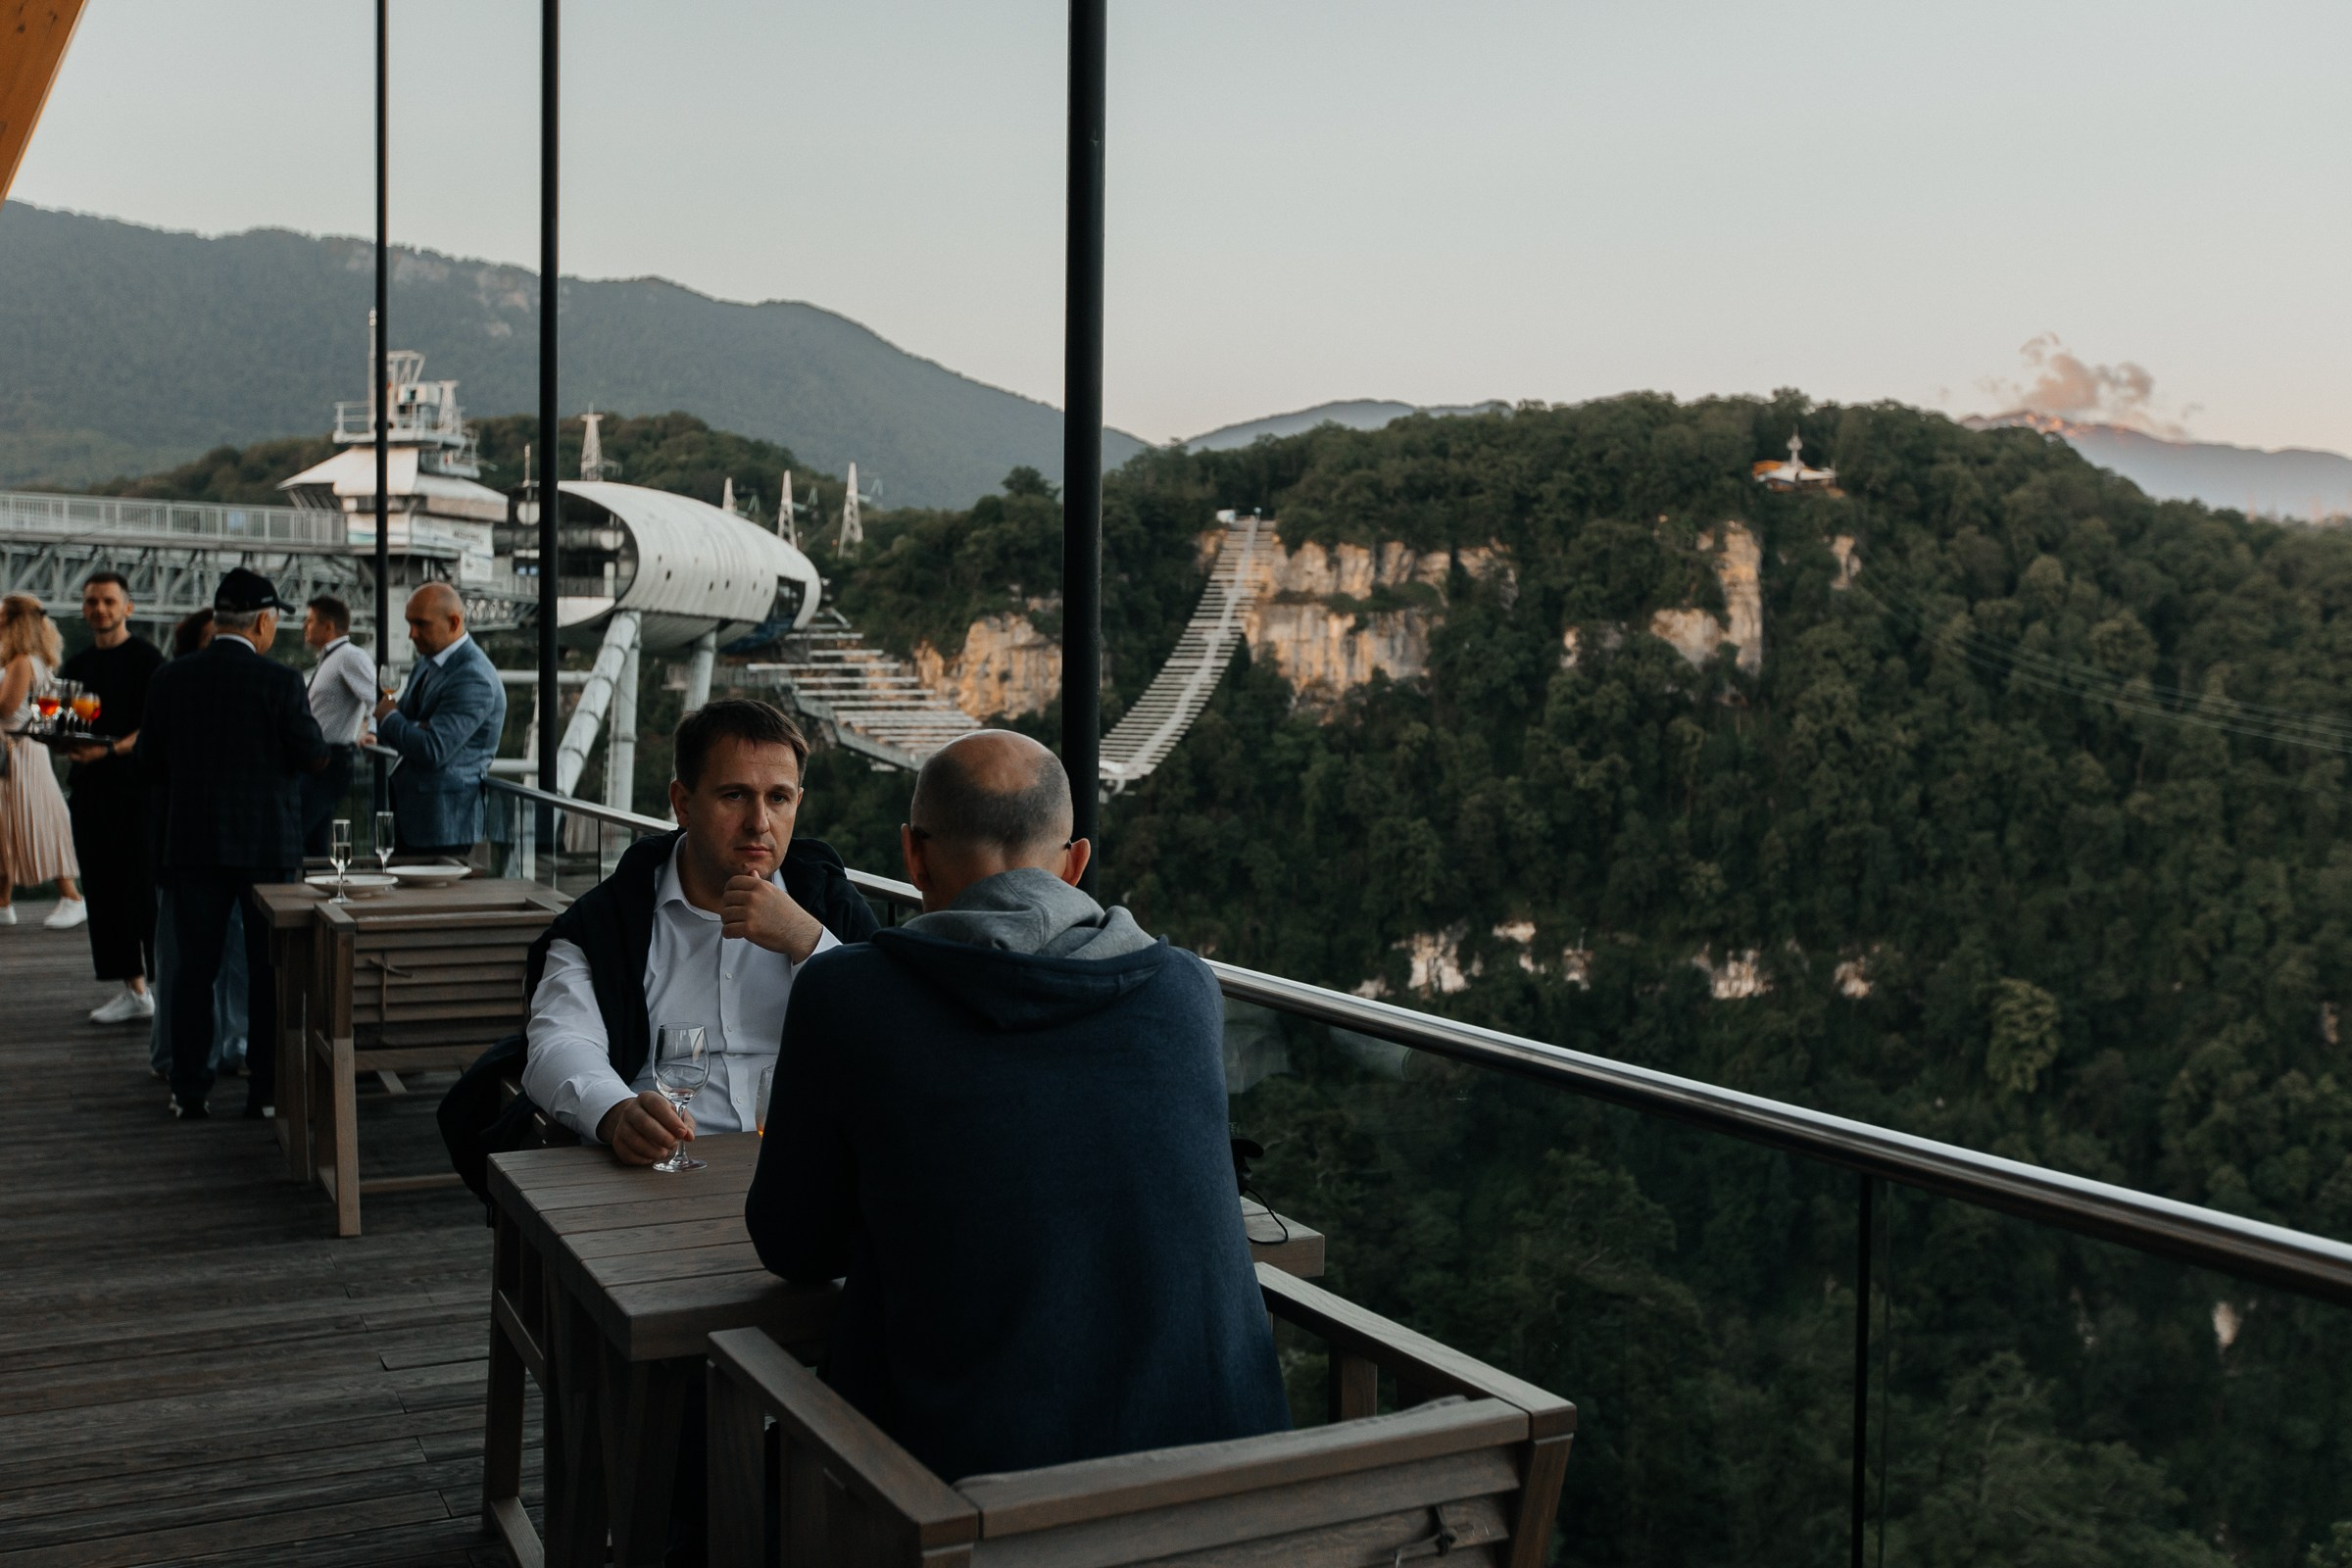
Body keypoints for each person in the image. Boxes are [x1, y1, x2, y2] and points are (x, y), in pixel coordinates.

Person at [745, 729, 1290, 1482]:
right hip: (1224, 1496)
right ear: (1075, 864)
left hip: (963, 1507)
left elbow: (795, 1245)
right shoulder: (1183, 991)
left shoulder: (849, 996)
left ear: (913, 854)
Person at [520, 700, 879, 1162]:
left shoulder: (830, 908)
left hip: (809, 1172)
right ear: (683, 804)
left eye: (778, 798)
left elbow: (894, 1035)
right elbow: (559, 1040)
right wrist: (616, 1112)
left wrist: (808, 942)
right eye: (734, 795)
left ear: (798, 803)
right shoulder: (608, 921)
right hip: (660, 1178)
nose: (759, 823)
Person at [138, 570, 327, 1120]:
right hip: (266, 848)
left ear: (218, 618)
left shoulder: (170, 679)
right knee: (268, 973)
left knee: (193, 973)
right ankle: (264, 1093)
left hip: (192, 844)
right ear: (264, 622)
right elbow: (312, 753)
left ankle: (190, 1091)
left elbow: (147, 761)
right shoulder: (281, 682)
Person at [144, 610, 252, 1084]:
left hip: (209, 843)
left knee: (229, 955)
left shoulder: (185, 688)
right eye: (212, 640)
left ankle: (228, 1045)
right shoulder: (175, 688)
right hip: (185, 845)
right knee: (181, 957)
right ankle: (179, 1053)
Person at [59, 573, 164, 1021]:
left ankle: (168, 988)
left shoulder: (148, 660)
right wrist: (55, 740)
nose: (99, 609)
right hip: (90, 795)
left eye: (108, 601)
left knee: (147, 894)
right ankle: (134, 992)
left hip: (138, 794)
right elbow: (63, 725)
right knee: (103, 894)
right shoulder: (76, 666)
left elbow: (155, 728)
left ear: (128, 608)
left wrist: (106, 750)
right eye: (91, 602)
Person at [372, 582, 504, 860]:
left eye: (421, 624)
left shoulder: (473, 677)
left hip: (444, 825)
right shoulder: (428, 662)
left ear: (454, 622)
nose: (411, 634)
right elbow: (409, 724)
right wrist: (409, 727)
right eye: (409, 623)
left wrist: (390, 718)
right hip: (419, 819)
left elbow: (431, 749)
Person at [0, 594, 86, 930]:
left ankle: (72, 897)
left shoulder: (22, 662)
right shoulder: (28, 660)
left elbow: (6, 708)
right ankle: (3, 903)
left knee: (33, 819)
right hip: (19, 752)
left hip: (17, 752)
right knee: (8, 824)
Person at [300, 594, 375, 857]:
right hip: (318, 761)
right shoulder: (331, 658)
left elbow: (377, 697)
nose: (304, 627)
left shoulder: (350, 657)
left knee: (295, 835)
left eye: (309, 621)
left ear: (328, 626)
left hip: (331, 762)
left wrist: (373, 732)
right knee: (314, 844)